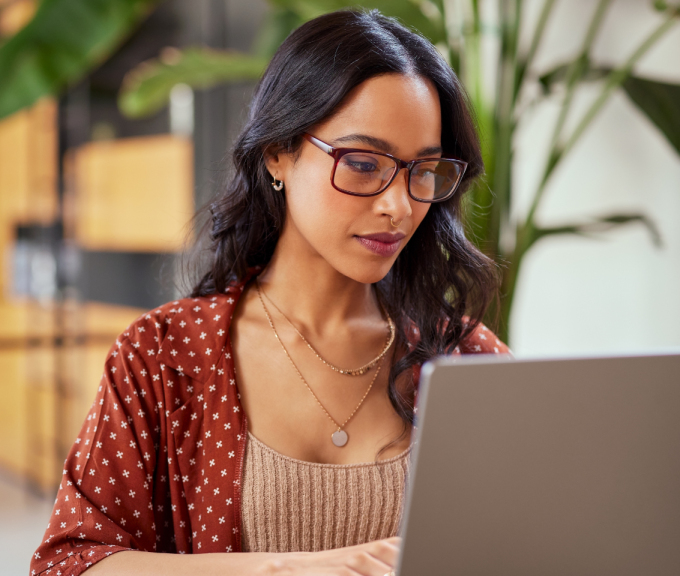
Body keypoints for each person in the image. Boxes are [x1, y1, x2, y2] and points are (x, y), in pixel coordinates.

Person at [30, 9, 508, 576]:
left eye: (423, 171)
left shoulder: (465, 358)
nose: (398, 206)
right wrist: (281, 570)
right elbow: (70, 563)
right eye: (362, 164)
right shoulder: (163, 357)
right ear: (278, 152)